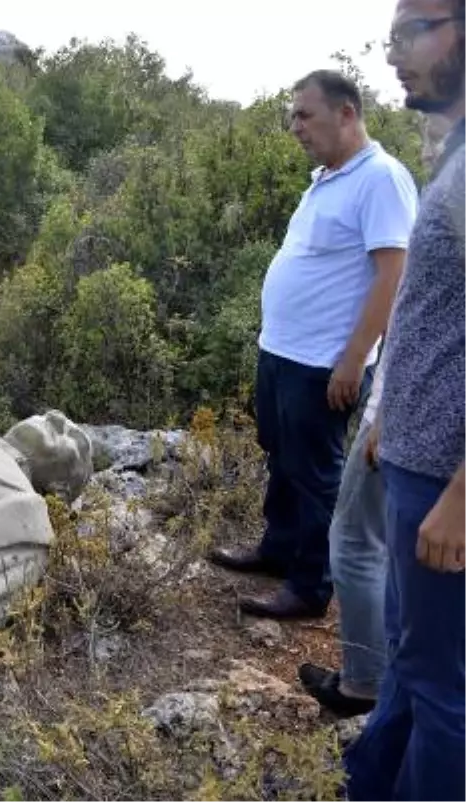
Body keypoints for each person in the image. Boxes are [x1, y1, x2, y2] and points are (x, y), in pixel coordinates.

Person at [208, 70, 418, 621]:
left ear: (346, 113)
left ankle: (308, 586)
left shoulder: (381, 178)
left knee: (314, 473)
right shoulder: (328, 177)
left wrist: (353, 359)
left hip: (324, 362)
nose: (294, 126)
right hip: (282, 351)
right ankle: (278, 549)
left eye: (305, 115)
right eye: (292, 116)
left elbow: (392, 276)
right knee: (281, 455)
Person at [344, 1, 466, 798]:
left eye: (412, 30)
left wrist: (463, 492)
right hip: (415, 459)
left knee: (443, 694)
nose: (393, 53)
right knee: (410, 665)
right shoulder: (453, 151)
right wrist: (392, 416)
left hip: (445, 487)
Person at [297, 355, 388, 718]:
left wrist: (389, 413)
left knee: (355, 544)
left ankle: (364, 685)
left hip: (407, 414)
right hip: (409, 412)